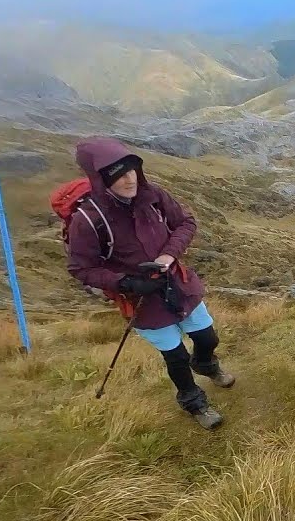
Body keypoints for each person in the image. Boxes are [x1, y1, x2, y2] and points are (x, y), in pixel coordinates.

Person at [66, 137, 234, 429]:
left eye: (131, 169)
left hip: (178, 284)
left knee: (207, 338)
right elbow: (81, 268)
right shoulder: (88, 220)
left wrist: (169, 254)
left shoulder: (152, 195)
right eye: (117, 173)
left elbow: (186, 223)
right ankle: (194, 402)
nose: (129, 179)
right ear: (100, 177)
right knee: (176, 357)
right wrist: (126, 282)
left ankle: (206, 363)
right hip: (142, 301)